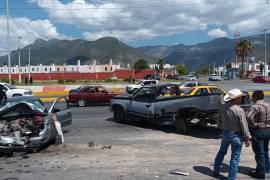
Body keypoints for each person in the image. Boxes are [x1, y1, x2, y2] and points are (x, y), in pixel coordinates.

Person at [213, 88, 251, 180]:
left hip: (226, 133)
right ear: (236, 98)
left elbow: (219, 121)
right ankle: (231, 178)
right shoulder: (239, 110)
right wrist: (247, 137)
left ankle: (216, 171)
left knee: (221, 152)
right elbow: (244, 126)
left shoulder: (223, 107)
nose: (241, 99)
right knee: (235, 157)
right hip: (236, 135)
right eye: (240, 97)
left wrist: (223, 127)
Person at [246, 90, 270, 179]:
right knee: (265, 150)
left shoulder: (255, 106)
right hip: (268, 131)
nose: (252, 98)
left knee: (259, 153)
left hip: (259, 131)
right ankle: (267, 168)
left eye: (253, 96)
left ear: (256, 97)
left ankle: (260, 174)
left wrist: (254, 124)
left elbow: (248, 117)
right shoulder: (268, 105)